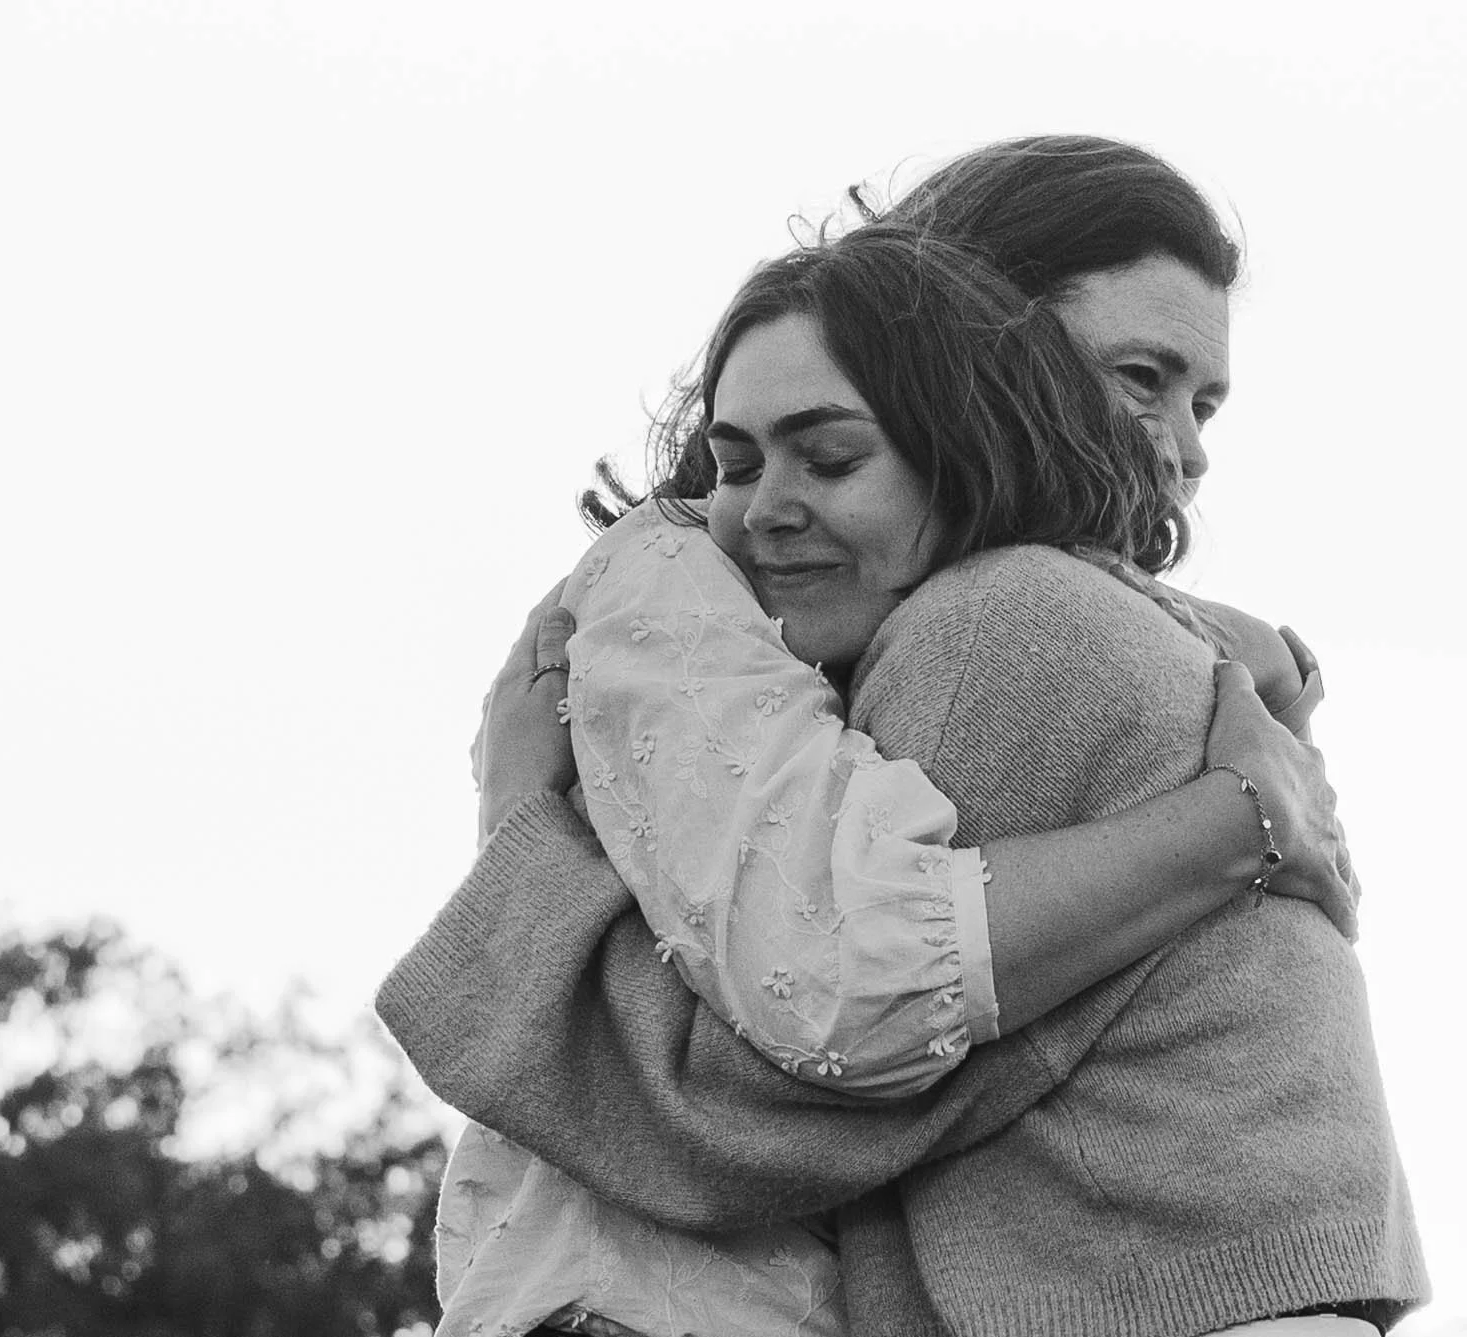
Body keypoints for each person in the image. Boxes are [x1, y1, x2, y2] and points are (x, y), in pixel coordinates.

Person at [381, 137, 1426, 1335]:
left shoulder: (1004, 623)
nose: (1184, 448)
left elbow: (771, 1087)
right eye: (1142, 378)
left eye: (1202, 401)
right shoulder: (1003, 625)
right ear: (977, 347)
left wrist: (514, 845)